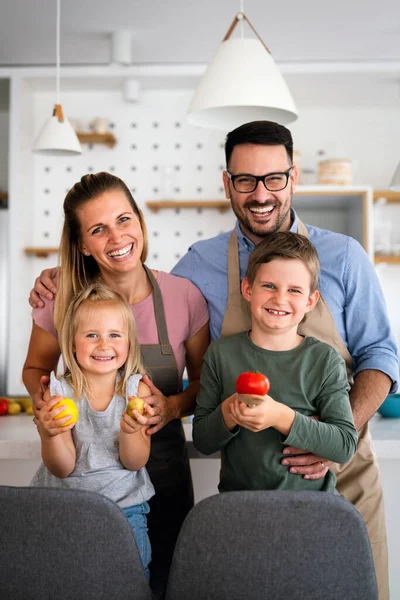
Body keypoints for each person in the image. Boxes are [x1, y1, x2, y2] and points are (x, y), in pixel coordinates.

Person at [28, 123, 398, 598]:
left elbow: (381, 356)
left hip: (342, 477)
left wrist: (329, 441)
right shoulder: (197, 267)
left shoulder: (345, 256)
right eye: (245, 180)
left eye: (274, 178)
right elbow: (134, 294)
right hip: (245, 489)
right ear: (227, 184)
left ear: (293, 177)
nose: (260, 193)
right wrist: (65, 275)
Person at [23, 172, 210, 599]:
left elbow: (203, 383)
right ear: (81, 244)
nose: (117, 237)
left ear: (140, 221)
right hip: (78, 483)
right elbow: (36, 368)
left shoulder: (184, 295)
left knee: (160, 585)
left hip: (161, 478)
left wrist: (172, 406)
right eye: (97, 229)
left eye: (124, 219)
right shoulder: (60, 296)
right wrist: (45, 409)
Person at [193, 232, 358, 494]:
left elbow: (345, 445)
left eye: (294, 290)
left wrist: (282, 417)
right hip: (240, 508)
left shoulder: (324, 361)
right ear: (248, 289)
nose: (280, 299)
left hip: (311, 509)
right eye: (269, 286)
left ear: (310, 301)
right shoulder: (220, 354)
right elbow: (202, 440)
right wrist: (229, 411)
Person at [30, 283, 155, 579]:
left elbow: (135, 462)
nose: (104, 345)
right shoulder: (58, 392)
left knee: (129, 579)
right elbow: (62, 467)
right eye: (91, 335)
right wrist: (49, 434)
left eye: (114, 335)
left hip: (125, 509)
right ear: (72, 343)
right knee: (66, 580)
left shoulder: (137, 390)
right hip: (64, 508)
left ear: (129, 343)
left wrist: (130, 431)